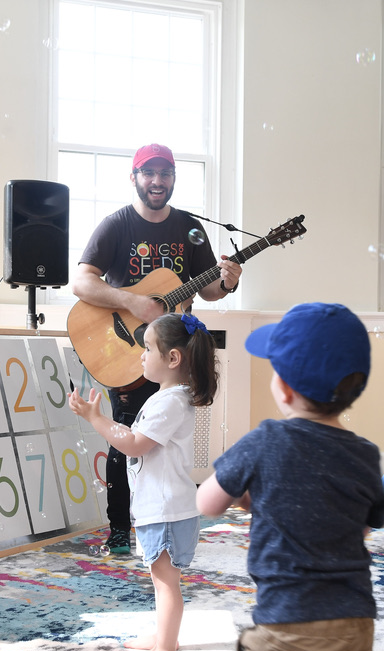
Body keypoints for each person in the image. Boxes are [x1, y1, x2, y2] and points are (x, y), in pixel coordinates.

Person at [196, 302, 384, 651]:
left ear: (283, 388)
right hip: (356, 627)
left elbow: (207, 504)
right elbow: (361, 525)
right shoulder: (365, 454)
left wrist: (247, 496)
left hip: (291, 627)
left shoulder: (266, 439)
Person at [72, 142, 242, 554]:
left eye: (165, 173)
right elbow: (81, 282)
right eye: (149, 173)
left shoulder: (188, 228)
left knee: (170, 437)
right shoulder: (116, 225)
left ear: (172, 179)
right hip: (129, 350)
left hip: (176, 355)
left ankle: (168, 521)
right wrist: (132, 302)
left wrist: (230, 280)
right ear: (135, 178)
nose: (157, 181)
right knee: (123, 436)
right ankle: (119, 530)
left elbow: (213, 290)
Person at [69, 313, 219, 651]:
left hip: (166, 509)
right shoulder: (168, 397)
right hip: (164, 506)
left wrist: (96, 419)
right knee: (161, 578)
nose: (141, 355)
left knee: (166, 582)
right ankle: (165, 636)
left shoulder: (169, 402)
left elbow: (135, 445)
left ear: (172, 359)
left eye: (148, 348)